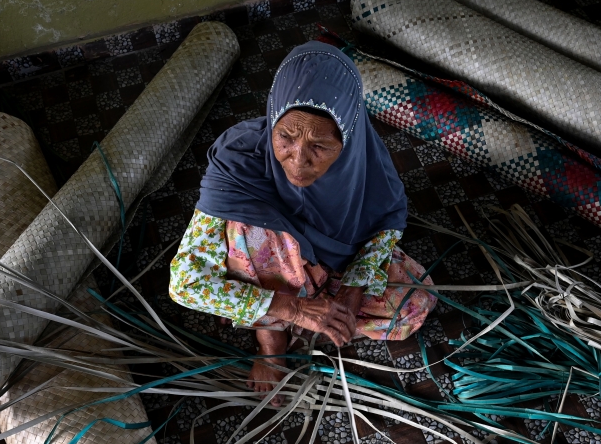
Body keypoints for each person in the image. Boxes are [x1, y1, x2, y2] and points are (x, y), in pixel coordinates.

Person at [169, 40, 437, 404]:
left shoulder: (366, 160)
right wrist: (292, 308)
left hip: (334, 265)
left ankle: (279, 311)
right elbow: (185, 283)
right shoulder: (239, 157)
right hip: (271, 271)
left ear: (348, 138)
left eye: (320, 146)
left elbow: (386, 225)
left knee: (415, 302)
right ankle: (272, 339)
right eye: (286, 138)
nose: (297, 162)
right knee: (253, 233)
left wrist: (353, 288)